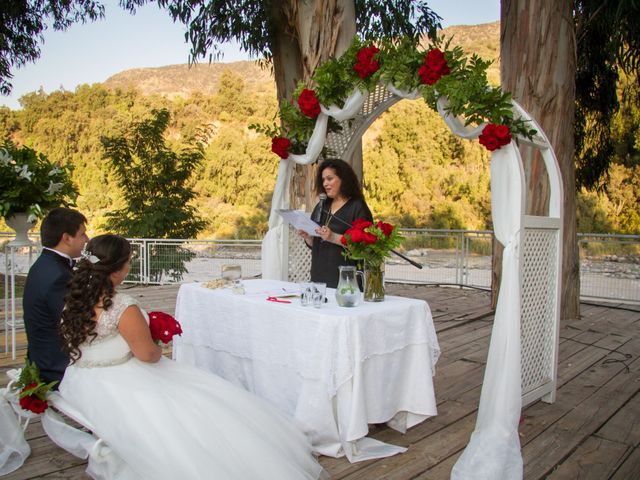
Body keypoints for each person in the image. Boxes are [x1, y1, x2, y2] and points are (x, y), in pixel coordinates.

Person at [58, 234, 325, 480]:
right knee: (200, 406)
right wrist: (158, 343)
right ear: (116, 269)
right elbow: (147, 355)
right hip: (119, 382)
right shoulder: (121, 306)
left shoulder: (74, 300)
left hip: (82, 379)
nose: (129, 267)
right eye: (128, 262)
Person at [23, 207, 88, 385]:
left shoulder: (44, 264)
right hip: (56, 366)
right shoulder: (58, 275)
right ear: (66, 238)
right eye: (82, 234)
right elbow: (75, 323)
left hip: (42, 355)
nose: (86, 240)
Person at [298, 158, 373, 288]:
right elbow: (317, 244)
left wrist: (333, 237)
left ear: (343, 179)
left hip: (345, 281)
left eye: (330, 178)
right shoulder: (322, 205)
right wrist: (309, 237)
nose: (325, 183)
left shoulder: (357, 206)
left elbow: (363, 247)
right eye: (323, 180)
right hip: (319, 278)